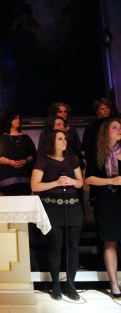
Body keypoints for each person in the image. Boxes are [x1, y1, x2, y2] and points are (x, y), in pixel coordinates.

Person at [31, 130, 83, 301]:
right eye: (60, 138)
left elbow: (81, 182)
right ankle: (55, 285)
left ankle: (71, 284)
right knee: (55, 246)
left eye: (65, 138)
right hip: (52, 207)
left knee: (73, 246)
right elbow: (35, 186)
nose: (64, 141)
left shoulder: (72, 159)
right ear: (51, 141)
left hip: (73, 206)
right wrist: (56, 182)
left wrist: (73, 182)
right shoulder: (43, 160)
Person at [85, 117, 121, 298]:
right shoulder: (97, 152)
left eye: (120, 127)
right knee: (110, 240)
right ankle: (114, 284)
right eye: (114, 127)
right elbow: (89, 179)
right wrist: (112, 180)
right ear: (106, 131)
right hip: (107, 200)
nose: (119, 130)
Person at [0, 113, 36, 195]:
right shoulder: (1, 138)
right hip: (7, 176)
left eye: (18, 118)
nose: (18, 120)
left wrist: (25, 161)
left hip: (25, 176)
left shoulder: (26, 137)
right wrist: (11, 162)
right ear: (8, 120)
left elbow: (33, 154)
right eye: (15, 118)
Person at [47, 102, 83, 169]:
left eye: (65, 111)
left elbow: (78, 148)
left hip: (72, 162)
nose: (63, 113)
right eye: (60, 112)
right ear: (54, 113)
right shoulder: (48, 130)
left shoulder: (72, 130)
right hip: (54, 162)